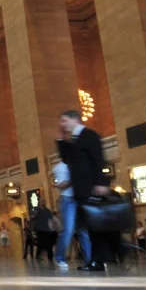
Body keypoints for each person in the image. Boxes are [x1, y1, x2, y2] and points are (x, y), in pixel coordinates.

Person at [56, 110, 115, 272]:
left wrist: (101, 183)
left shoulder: (89, 135)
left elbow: (99, 160)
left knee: (94, 226)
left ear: (74, 119)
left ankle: (99, 259)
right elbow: (66, 160)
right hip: (80, 190)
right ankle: (94, 260)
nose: (62, 124)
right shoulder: (73, 140)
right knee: (89, 226)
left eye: (64, 120)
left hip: (91, 188)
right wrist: (61, 139)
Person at [53, 159, 91, 270]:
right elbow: (61, 185)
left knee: (84, 231)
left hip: (80, 199)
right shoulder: (59, 167)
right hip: (68, 200)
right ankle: (60, 257)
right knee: (68, 231)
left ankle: (89, 260)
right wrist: (75, 178)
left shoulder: (78, 163)